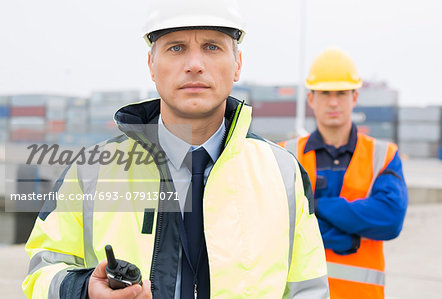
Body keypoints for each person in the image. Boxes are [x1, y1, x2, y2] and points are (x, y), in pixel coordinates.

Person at [22, 0, 329, 298]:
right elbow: (41, 273)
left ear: (237, 64)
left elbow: (308, 290)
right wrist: (84, 289)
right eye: (176, 48)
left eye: (212, 47)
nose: (194, 65)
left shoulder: (283, 174)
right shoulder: (90, 172)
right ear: (151, 65)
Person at [280, 47, 408, 299]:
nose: (334, 102)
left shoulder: (383, 155)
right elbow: (277, 222)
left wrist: (317, 206)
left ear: (355, 97)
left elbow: (390, 220)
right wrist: (349, 233)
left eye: (341, 93)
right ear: (311, 99)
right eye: (325, 93)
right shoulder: (286, 154)